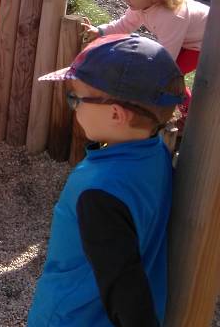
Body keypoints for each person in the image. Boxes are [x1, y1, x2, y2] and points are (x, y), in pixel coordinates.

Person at [28, 34, 185, 327]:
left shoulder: (100, 191)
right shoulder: (156, 153)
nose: (73, 107)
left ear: (116, 114)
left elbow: (125, 287)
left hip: (75, 317)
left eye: (75, 98)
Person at [83, 0, 208, 119]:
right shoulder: (139, 6)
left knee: (171, 77)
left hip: (203, 44)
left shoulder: (171, 16)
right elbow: (124, 25)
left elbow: (167, 56)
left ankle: (190, 116)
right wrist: (100, 31)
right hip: (185, 39)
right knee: (163, 77)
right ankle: (172, 109)